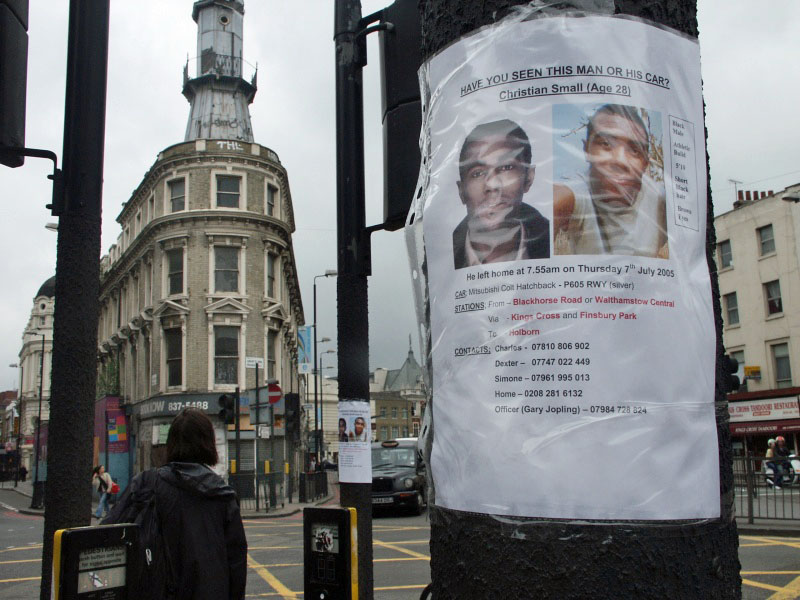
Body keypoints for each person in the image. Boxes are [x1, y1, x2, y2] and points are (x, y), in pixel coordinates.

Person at [103, 409, 247, 599]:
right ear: (209, 444)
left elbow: (106, 536)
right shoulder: (224, 497)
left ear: (171, 443)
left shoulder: (147, 483)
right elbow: (236, 566)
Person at [554, 104, 668, 258]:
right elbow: (556, 199)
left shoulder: (661, 200)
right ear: (587, 149)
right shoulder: (578, 192)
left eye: (634, 150)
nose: (620, 161)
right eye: (606, 144)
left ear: (645, 163)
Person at [453, 119, 550, 269]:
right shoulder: (438, 256)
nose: (492, 185)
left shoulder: (559, 243)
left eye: (506, 167)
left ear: (528, 178)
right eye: (477, 173)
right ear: (461, 191)